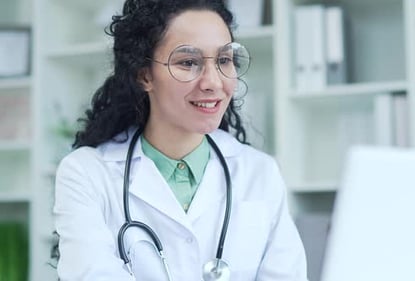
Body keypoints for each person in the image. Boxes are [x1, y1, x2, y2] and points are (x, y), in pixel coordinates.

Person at [53, 0, 308, 280]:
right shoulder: (86, 173)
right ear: (144, 75)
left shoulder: (260, 172)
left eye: (224, 60)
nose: (213, 81)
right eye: (188, 62)